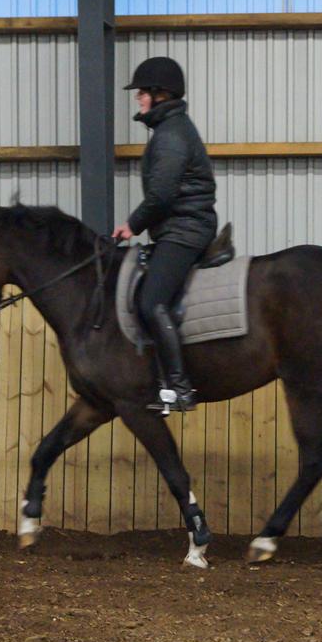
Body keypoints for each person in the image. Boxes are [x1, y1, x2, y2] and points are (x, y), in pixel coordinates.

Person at [112, 56, 217, 413]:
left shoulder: (171, 136)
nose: (138, 97)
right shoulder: (170, 129)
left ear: (160, 94)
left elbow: (162, 195)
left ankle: (179, 388)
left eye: (142, 91)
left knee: (151, 302)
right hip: (179, 227)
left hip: (185, 229)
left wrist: (132, 225)